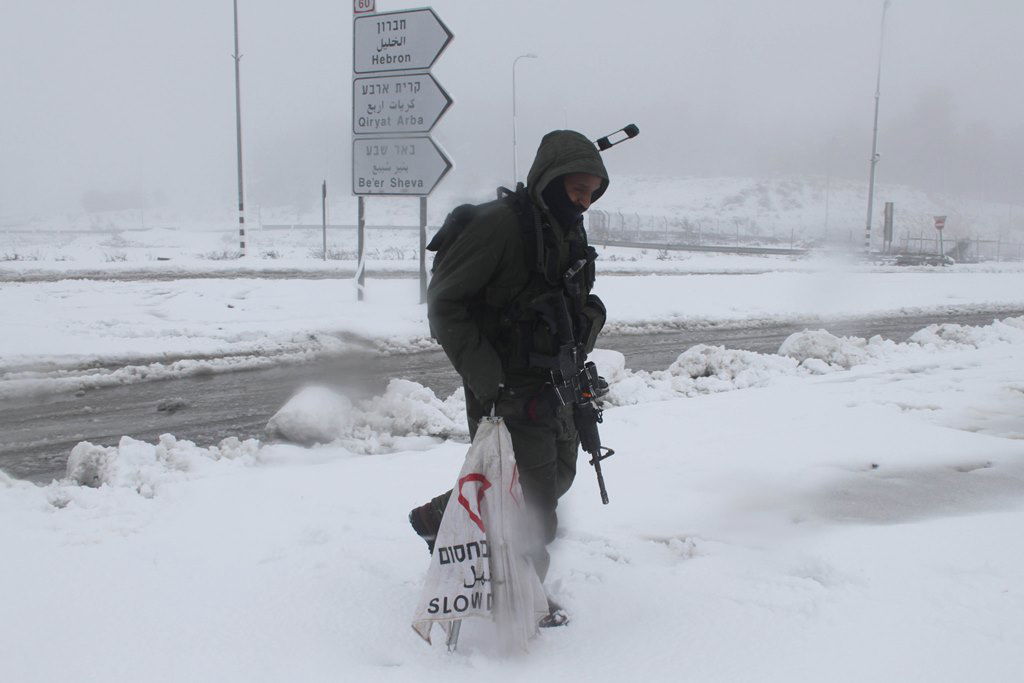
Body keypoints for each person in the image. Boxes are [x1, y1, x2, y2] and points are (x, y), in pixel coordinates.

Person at [408, 130, 610, 626]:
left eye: (591, 193)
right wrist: (489, 380)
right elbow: (445, 304)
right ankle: (523, 600)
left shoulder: (566, 232)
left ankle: (443, 516)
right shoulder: (500, 227)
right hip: (508, 385)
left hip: (554, 383)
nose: (582, 203)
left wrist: (589, 320)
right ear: (550, 181)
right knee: (534, 499)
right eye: (575, 191)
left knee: (556, 475)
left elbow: (568, 303)